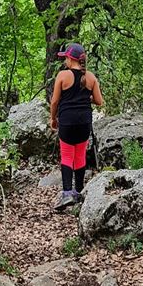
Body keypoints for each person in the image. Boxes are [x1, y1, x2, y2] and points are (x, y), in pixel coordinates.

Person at [49, 43, 103, 210]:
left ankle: (67, 193)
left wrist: (53, 118)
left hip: (67, 121)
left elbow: (55, 101)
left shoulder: (63, 76)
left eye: (65, 57)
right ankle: (79, 192)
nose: (64, 59)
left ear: (70, 58)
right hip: (84, 122)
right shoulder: (91, 77)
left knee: (66, 156)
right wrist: (85, 97)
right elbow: (99, 101)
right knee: (80, 156)